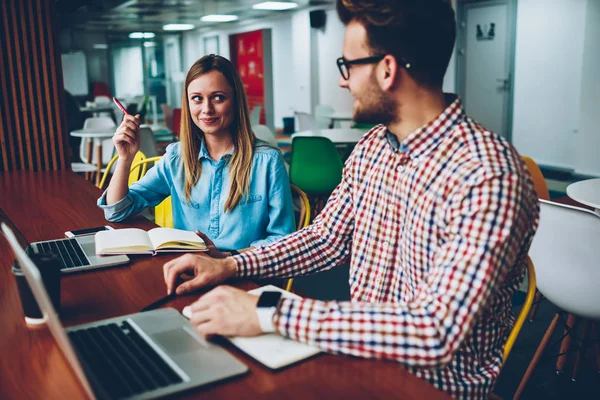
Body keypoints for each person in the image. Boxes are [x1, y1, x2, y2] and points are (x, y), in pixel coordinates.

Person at [163, 1, 539, 398]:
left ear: (387, 69)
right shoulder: (374, 148)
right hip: (355, 361)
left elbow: (435, 329)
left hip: (429, 390)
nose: (344, 82)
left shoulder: (489, 176)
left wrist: (269, 312)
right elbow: (326, 238)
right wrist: (228, 264)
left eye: (348, 66)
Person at [98, 55, 295, 252]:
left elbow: (282, 239)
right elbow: (117, 211)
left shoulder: (267, 161)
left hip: (244, 272)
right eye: (197, 98)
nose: (206, 109)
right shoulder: (177, 158)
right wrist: (125, 159)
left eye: (218, 97)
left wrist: (227, 260)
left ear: (236, 101)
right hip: (190, 270)